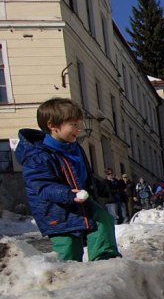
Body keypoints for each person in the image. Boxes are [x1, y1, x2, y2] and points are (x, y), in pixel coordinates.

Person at [15, 97, 121, 262]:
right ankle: (66, 277)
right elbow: (41, 185)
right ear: (52, 125)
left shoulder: (74, 147)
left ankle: (104, 261)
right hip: (55, 208)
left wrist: (99, 187)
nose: (79, 129)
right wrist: (67, 194)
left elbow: (83, 174)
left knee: (103, 219)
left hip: (79, 200)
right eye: (73, 125)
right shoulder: (38, 155)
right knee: (68, 245)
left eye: (79, 124)